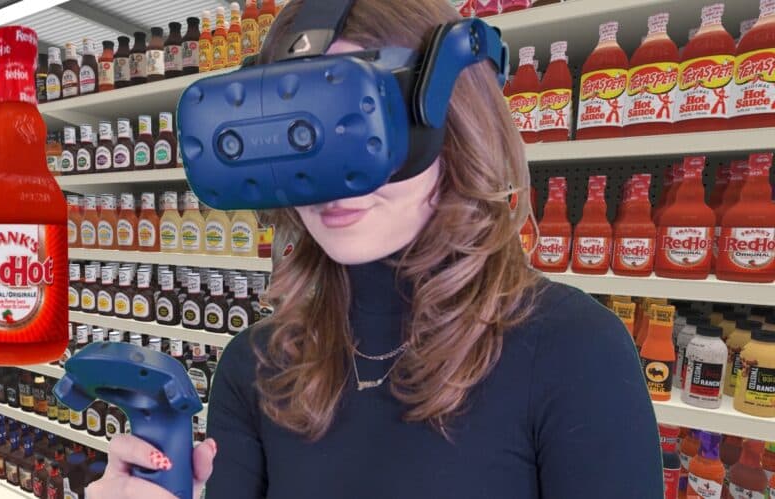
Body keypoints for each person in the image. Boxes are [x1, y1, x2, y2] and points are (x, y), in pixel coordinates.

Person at [90, 0, 662, 497]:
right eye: (300, 134)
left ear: (452, 110)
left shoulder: (574, 352)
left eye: (357, 122)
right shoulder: (255, 365)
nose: (334, 178)